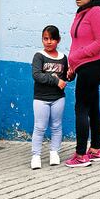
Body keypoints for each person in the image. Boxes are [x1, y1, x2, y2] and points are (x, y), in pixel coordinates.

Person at [65, 0, 100, 168]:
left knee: (81, 109)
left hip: (93, 66)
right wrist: (72, 64)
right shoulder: (81, 13)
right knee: (92, 108)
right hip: (83, 66)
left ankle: (81, 154)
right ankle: (95, 150)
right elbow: (78, 42)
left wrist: (76, 57)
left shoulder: (97, 12)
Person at [31, 25, 68, 170]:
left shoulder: (63, 57)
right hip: (41, 98)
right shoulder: (39, 56)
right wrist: (55, 81)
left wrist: (71, 75)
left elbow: (65, 78)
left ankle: (54, 153)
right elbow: (37, 75)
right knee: (39, 127)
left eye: (52, 39)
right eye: (45, 38)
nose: (48, 42)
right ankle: (36, 156)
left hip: (58, 98)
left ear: (58, 40)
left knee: (56, 126)